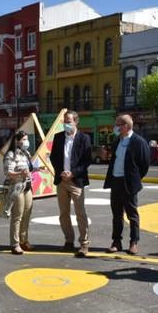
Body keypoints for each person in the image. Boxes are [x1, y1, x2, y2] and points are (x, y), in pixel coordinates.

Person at [103, 114, 150, 255]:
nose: (115, 127)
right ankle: (116, 242)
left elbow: (144, 164)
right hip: (116, 181)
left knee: (132, 214)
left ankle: (133, 242)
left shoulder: (138, 141)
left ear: (126, 126)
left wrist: (135, 178)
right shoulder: (117, 140)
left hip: (129, 183)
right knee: (116, 214)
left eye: (118, 124)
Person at [50, 110, 92, 257]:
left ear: (76, 121)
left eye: (69, 121)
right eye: (64, 121)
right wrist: (61, 172)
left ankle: (84, 243)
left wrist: (72, 173)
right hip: (61, 180)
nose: (66, 124)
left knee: (80, 213)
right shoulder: (58, 137)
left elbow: (86, 160)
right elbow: (53, 157)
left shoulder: (84, 138)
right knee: (63, 214)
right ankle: (69, 240)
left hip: (76, 181)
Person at [4, 131, 35, 254]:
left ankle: (24, 240)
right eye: (24, 139)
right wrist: (20, 174)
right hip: (16, 187)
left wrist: (37, 169)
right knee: (17, 216)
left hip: (27, 186)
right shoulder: (11, 154)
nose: (26, 142)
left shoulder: (26, 153)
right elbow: (8, 172)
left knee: (27, 214)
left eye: (27, 139)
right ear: (17, 141)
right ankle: (15, 243)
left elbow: (29, 169)